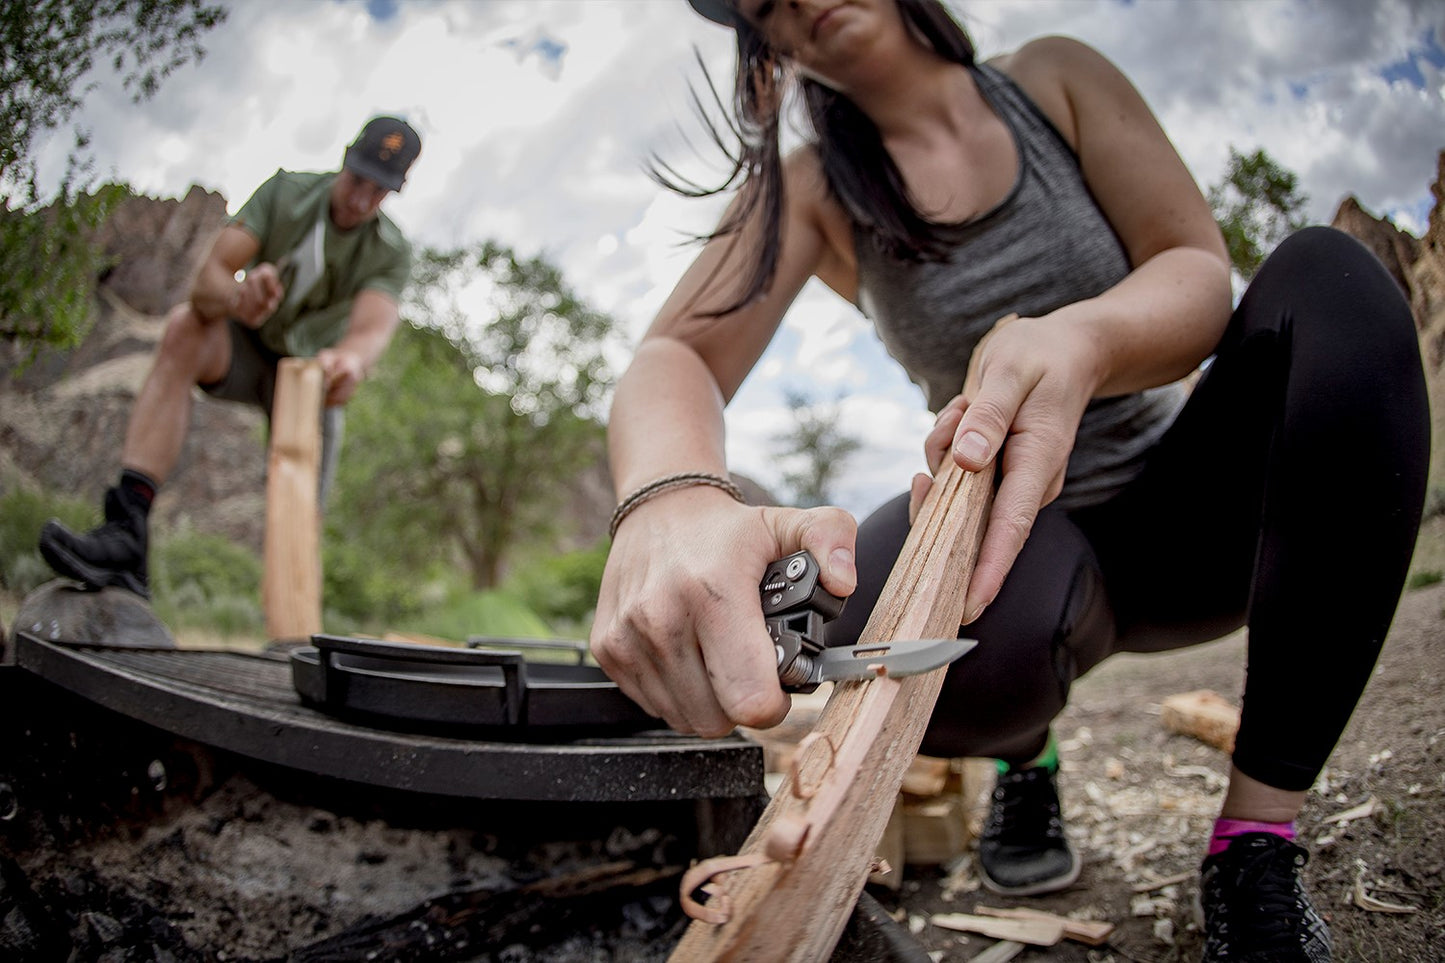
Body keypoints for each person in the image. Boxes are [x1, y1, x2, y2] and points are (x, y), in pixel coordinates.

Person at [588, 2, 1429, 961]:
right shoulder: (815, 191)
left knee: (1335, 283)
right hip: (1018, 560)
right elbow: (675, 350)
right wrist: (667, 496)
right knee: (867, 600)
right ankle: (1029, 754)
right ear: (762, 38)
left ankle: (1253, 841)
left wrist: (1081, 336)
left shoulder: (1051, 80)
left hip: (1191, 523)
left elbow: (1194, 266)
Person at [39, 116, 421, 600]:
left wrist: (348, 361)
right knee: (183, 326)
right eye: (358, 180)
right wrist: (239, 298)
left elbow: (371, 329)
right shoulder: (285, 194)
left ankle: (291, 623)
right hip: (245, 348)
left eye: (379, 191)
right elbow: (208, 283)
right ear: (345, 159)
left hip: (308, 379)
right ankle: (126, 532)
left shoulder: (390, 250)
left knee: (305, 514)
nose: (361, 200)